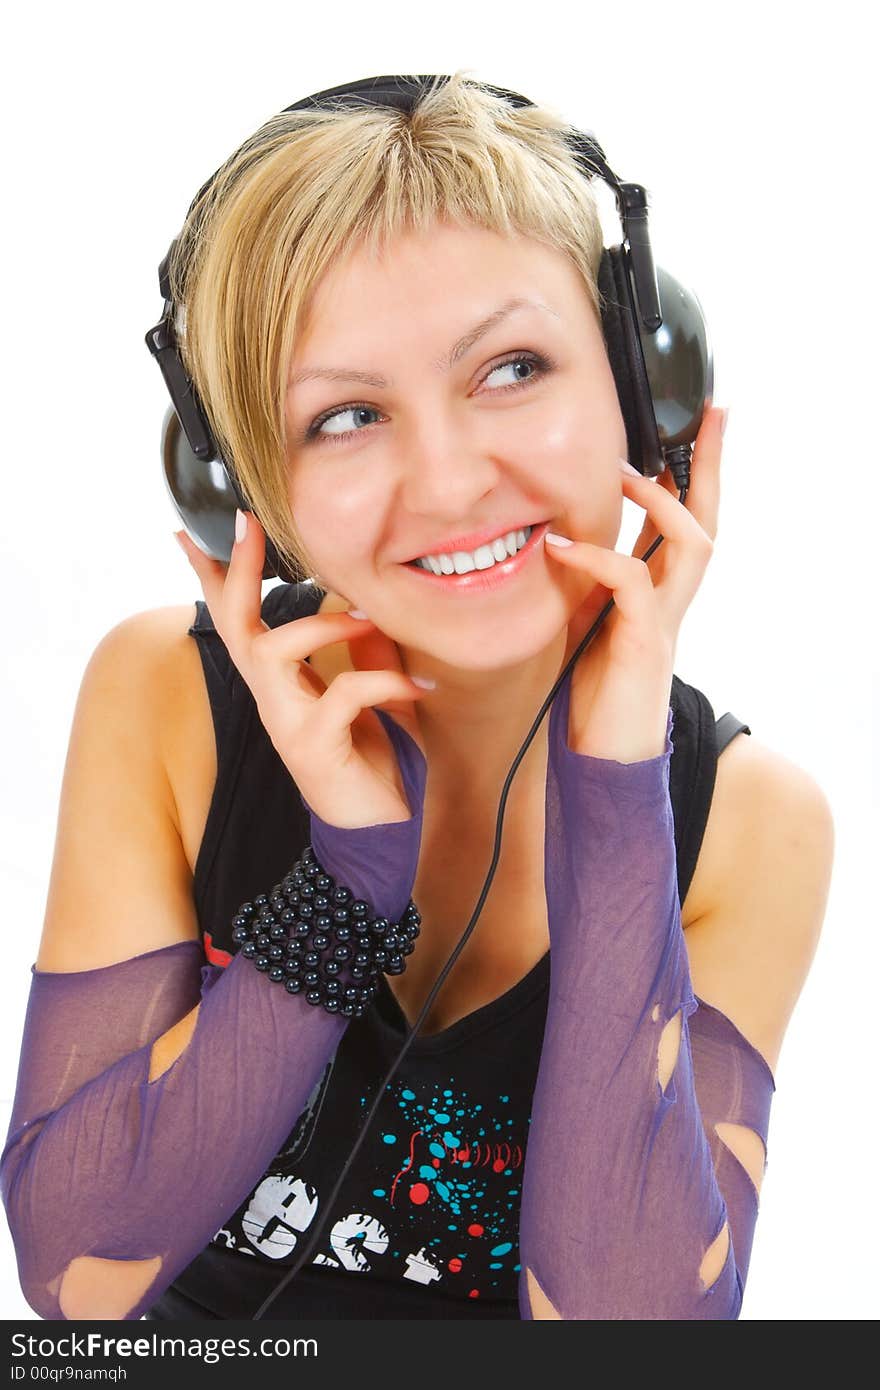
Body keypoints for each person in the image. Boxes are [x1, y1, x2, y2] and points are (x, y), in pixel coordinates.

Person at [0, 72, 834, 1321]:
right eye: (344, 414)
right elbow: (77, 1288)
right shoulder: (168, 699)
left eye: (510, 367)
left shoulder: (752, 823)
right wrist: (347, 877)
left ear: (642, 385)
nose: (448, 483)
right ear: (239, 491)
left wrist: (616, 792)